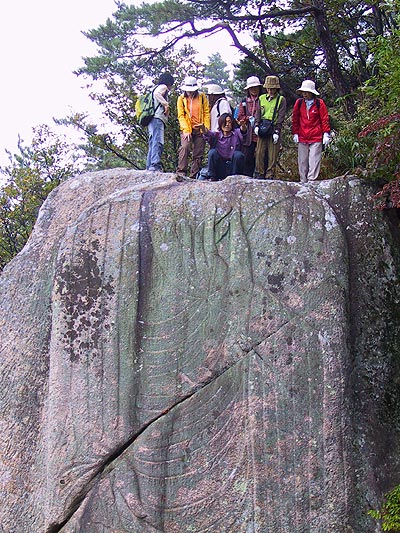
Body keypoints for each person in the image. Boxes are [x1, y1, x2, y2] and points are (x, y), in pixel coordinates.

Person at [292, 79, 331, 182]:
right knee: (302, 162)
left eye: (307, 92)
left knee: (314, 161)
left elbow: (324, 118)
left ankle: (311, 182)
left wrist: (326, 133)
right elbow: (295, 118)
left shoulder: (319, 103)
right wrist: (295, 133)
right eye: (303, 92)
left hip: (316, 136)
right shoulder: (299, 103)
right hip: (302, 136)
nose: (304, 94)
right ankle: (303, 182)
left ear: (312, 92)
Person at [176, 76, 211, 179]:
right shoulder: (181, 99)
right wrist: (186, 130)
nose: (190, 93)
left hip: (200, 128)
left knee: (198, 152)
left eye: (192, 91)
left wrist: (205, 128)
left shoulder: (202, 97)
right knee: (185, 147)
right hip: (187, 128)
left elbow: (206, 112)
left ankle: (193, 175)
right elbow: (181, 115)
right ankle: (181, 172)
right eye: (188, 91)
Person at [254, 76, 287, 180]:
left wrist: (277, 130)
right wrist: (256, 125)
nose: (270, 90)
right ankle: (259, 173)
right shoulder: (261, 98)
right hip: (263, 126)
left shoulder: (281, 100)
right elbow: (258, 113)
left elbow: (281, 116)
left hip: (273, 128)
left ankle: (270, 175)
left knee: (272, 154)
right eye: (268, 88)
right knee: (259, 152)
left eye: (272, 88)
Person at [201, 113, 248, 181]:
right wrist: (203, 128)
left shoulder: (237, 133)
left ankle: (235, 180)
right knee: (212, 152)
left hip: (233, 167)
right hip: (220, 167)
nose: (227, 124)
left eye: (229, 122)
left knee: (238, 155)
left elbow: (243, 132)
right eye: (225, 122)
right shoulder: (217, 135)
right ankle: (212, 177)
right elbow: (208, 134)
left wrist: (243, 125)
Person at [146, 72, 175, 171]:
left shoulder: (154, 87)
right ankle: (155, 164)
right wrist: (166, 104)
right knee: (157, 141)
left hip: (151, 119)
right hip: (157, 118)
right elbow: (157, 94)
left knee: (152, 141)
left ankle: (149, 165)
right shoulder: (163, 87)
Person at [236, 76, 262, 177]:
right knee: (247, 158)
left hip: (260, 133)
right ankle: (247, 178)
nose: (254, 90)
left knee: (261, 157)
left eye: (256, 87)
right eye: (252, 88)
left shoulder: (263, 99)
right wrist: (248, 118)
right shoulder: (244, 101)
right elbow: (239, 116)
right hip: (248, 135)